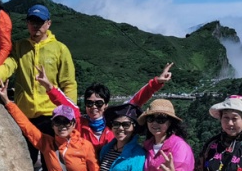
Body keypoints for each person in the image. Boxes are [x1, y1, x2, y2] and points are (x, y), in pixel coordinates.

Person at [0, 4, 76, 171]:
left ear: (48, 24)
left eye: (40, 22)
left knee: (52, 164)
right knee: (24, 161)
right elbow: (8, 66)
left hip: (52, 116)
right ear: (27, 23)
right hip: (24, 116)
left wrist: (70, 114)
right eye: (32, 21)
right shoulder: (20, 47)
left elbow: (69, 84)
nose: (35, 26)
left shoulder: (60, 49)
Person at [0, 85, 99, 171]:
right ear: (52, 125)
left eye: (66, 122)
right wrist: (7, 102)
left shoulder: (85, 146)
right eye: (58, 122)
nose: (62, 126)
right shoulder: (47, 144)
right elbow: (26, 126)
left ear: (73, 124)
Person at [39, 63, 173, 153]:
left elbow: (136, 101)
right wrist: (48, 86)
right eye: (89, 103)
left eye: (99, 103)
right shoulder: (80, 123)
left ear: (106, 105)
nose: (94, 107)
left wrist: (157, 82)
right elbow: (63, 102)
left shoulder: (114, 124)